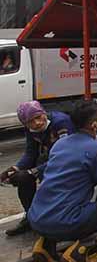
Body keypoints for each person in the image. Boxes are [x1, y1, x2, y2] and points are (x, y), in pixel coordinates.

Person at [27, 100, 97, 262]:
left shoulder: (59, 144)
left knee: (68, 204)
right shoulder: (96, 149)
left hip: (36, 217)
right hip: (65, 221)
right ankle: (83, 248)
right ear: (94, 125)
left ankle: (46, 244)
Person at [0, 101, 74, 236]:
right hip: (51, 159)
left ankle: (56, 216)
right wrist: (14, 169)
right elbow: (30, 153)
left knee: (39, 170)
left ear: (44, 113)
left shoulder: (60, 123)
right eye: (31, 122)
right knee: (22, 178)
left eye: (39, 117)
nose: (37, 123)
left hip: (71, 162)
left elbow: (64, 156)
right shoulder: (31, 130)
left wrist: (34, 172)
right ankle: (30, 217)